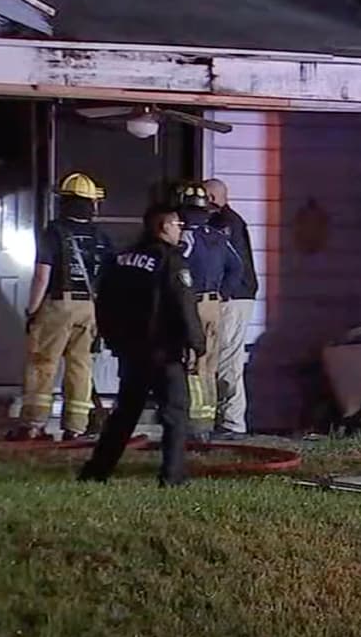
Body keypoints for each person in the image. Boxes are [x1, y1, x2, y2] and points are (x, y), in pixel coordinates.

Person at [78, 205, 205, 487]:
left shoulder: (121, 259)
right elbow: (183, 303)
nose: (181, 229)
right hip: (164, 352)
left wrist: (113, 339)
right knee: (175, 413)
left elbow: (104, 301)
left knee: (124, 414)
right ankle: (173, 477)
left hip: (132, 352)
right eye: (177, 225)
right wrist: (196, 343)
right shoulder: (171, 260)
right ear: (163, 227)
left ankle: (96, 471)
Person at [9, 172, 113, 442]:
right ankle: (75, 427)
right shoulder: (101, 237)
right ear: (92, 204)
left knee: (42, 362)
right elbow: (110, 278)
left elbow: (42, 275)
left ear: (64, 202)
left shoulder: (54, 232)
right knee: (81, 366)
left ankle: (33, 425)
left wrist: (32, 310)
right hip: (90, 308)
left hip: (58, 304)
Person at [175, 181, 244, 441]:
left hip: (191, 305)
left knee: (192, 363)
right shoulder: (218, 237)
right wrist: (222, 293)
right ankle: (207, 421)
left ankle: (194, 425)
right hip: (214, 307)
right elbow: (237, 268)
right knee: (209, 365)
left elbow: (174, 268)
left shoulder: (185, 238)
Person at [205, 178, 259, 440]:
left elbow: (232, 264)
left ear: (212, 198)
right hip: (231, 297)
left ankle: (232, 422)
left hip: (233, 299)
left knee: (227, 358)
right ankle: (222, 418)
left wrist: (223, 293)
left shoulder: (226, 224)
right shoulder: (224, 222)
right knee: (219, 357)